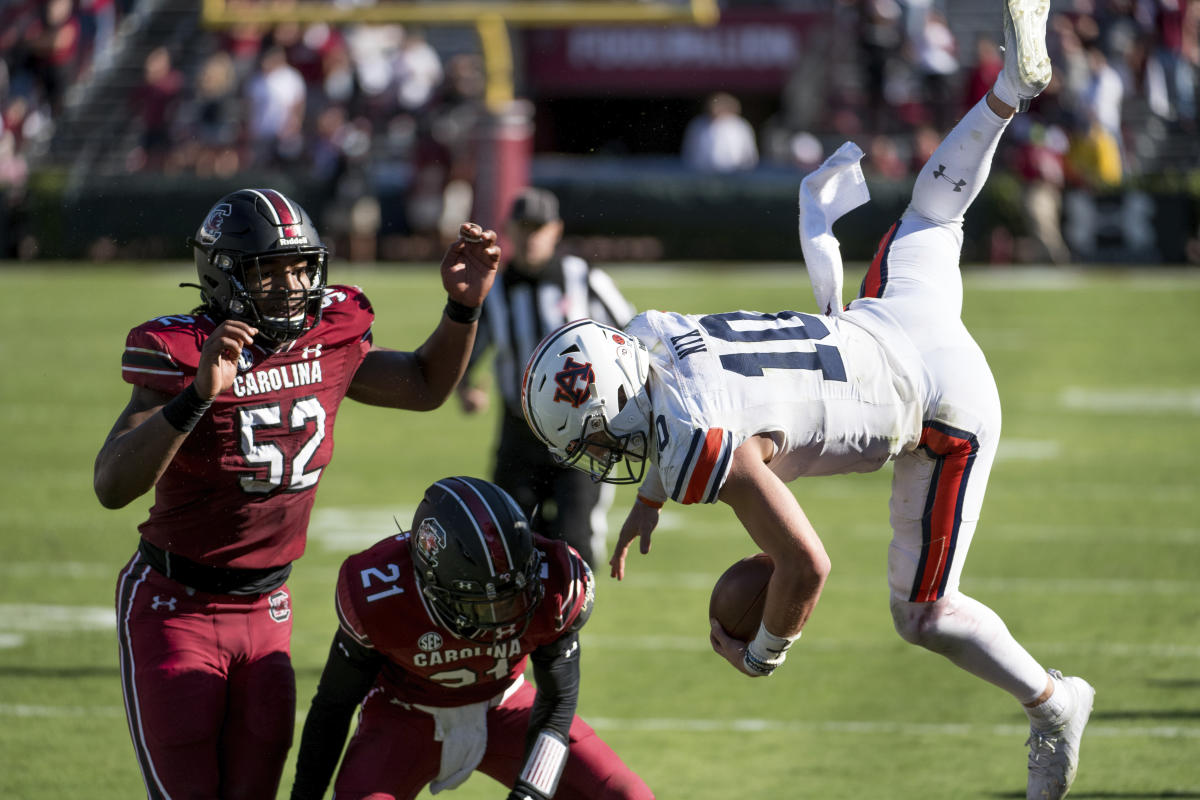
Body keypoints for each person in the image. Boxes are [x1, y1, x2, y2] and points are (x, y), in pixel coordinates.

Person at [520, 3, 1094, 799]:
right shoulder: (650, 334)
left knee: (924, 614)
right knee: (934, 211)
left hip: (940, 410)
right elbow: (688, 400)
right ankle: (1005, 95)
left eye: (597, 436)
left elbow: (805, 563)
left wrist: (764, 653)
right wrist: (650, 498)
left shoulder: (692, 441)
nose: (605, 453)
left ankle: (1055, 704)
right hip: (892, 313)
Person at [94, 187, 499, 800]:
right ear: (223, 276)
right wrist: (196, 395)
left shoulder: (331, 331)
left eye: (300, 266)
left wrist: (462, 309)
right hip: (175, 606)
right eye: (270, 270)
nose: (291, 284)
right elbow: (111, 485)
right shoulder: (181, 351)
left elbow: (421, 384)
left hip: (268, 608)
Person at [289, 475, 655, 800]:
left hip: (507, 705)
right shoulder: (380, 596)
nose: (503, 618)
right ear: (430, 585)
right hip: (404, 717)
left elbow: (557, 705)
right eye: (482, 607)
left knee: (629, 794)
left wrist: (531, 793)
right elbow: (333, 706)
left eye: (514, 597)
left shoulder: (555, 581)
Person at [458, 187, 635, 569]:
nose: (530, 236)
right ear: (509, 231)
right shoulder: (497, 290)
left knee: (576, 544)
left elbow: (631, 338)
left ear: (556, 230)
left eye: (538, 227)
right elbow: (467, 350)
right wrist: (466, 387)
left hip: (584, 435)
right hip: (519, 434)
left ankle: (568, 623)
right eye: (523, 227)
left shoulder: (585, 279)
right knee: (509, 543)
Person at [680, 92, 759, 173]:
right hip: (703, 173)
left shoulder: (740, 125)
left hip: (735, 174)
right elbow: (689, 151)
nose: (716, 110)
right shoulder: (698, 124)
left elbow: (749, 153)